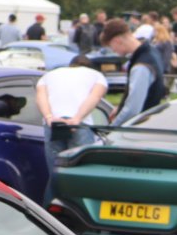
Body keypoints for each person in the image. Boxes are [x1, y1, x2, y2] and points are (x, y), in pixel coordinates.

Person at [35, 54, 107, 205]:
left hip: (53, 126)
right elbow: (94, 98)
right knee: (80, 176)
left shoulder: (49, 75)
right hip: (79, 125)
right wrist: (77, 119)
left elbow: (41, 96)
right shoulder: (97, 76)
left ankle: (49, 214)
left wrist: (49, 118)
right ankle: (79, 212)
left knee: (55, 174)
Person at [102, 19, 166, 124]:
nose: (113, 50)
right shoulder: (152, 52)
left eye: (110, 46)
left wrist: (111, 129)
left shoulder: (141, 66)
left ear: (117, 40)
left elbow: (132, 110)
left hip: (140, 128)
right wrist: (121, 107)